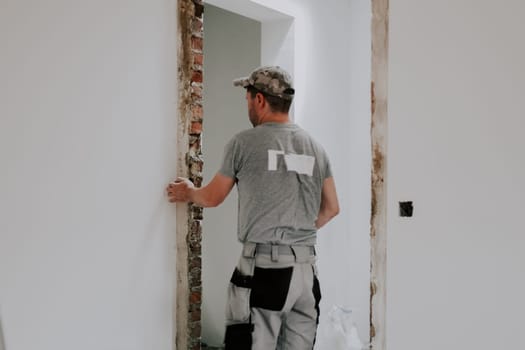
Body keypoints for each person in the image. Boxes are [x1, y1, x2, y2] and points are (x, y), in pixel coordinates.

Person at [166, 66, 339, 350]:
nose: (246, 103)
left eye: (247, 96)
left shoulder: (244, 143)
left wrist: (188, 191)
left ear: (259, 100)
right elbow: (332, 208)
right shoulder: (315, 147)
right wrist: (296, 229)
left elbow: (212, 197)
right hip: (306, 273)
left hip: (266, 270)